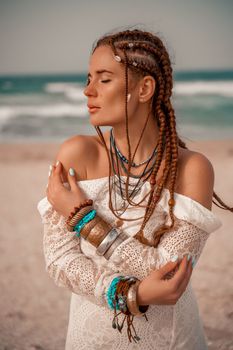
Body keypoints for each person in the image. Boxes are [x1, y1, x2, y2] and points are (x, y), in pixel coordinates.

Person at [37, 28, 232, 349]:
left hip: (171, 339)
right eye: (88, 78)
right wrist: (130, 294)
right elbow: (58, 261)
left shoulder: (192, 169)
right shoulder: (76, 154)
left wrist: (85, 220)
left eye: (104, 78)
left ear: (144, 88)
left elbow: (169, 276)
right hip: (89, 338)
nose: (88, 91)